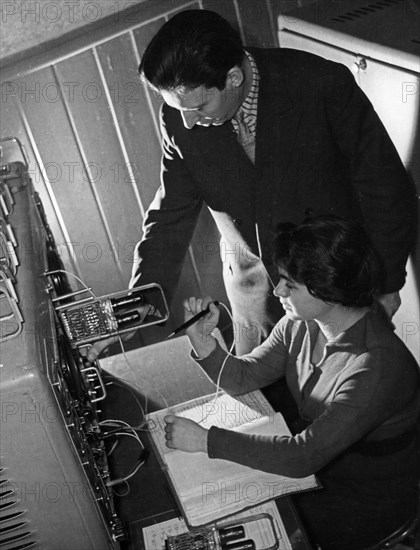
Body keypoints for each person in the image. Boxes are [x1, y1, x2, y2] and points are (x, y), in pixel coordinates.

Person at [87, 9, 416, 360]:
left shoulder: (320, 83)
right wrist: (139, 302)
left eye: (199, 106)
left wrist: (386, 283)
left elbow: (385, 186)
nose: (188, 122)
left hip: (338, 290)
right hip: (256, 301)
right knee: (270, 404)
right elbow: (170, 213)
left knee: (347, 400)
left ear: (232, 77)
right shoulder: (180, 115)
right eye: (178, 109)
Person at [164, 216, 420, 550]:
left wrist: (205, 440)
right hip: (321, 467)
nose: (276, 290)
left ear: (327, 287)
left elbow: (303, 458)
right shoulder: (302, 323)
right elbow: (244, 376)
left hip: (363, 496)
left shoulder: (377, 367)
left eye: (289, 284)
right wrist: (204, 343)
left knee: (244, 527)